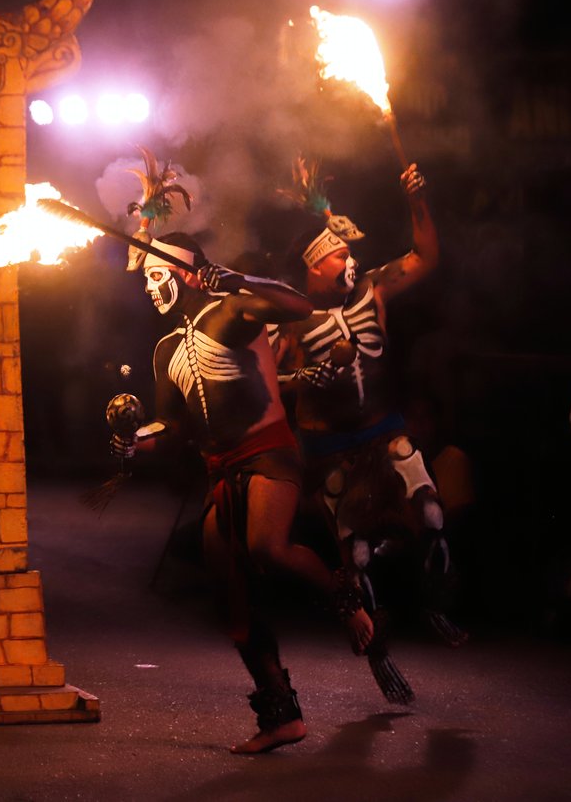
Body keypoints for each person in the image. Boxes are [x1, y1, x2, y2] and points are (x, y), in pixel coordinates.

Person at [112, 233, 386, 755]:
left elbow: (301, 305)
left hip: (268, 451)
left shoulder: (234, 311)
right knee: (230, 591)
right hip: (221, 470)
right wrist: (134, 441)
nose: (149, 288)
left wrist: (235, 278)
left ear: (187, 272)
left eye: (156, 274)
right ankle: (281, 712)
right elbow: (170, 425)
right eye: (145, 278)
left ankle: (345, 598)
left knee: (266, 545)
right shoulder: (165, 349)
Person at [273, 160, 466, 657]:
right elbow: (264, 378)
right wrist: (302, 378)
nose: (352, 261)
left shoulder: (373, 289)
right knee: (355, 551)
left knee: (431, 512)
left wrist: (417, 201)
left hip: (384, 431)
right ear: (315, 265)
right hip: (332, 449)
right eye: (340, 254)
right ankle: (374, 642)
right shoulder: (288, 320)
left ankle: (436, 604)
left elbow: (424, 256)